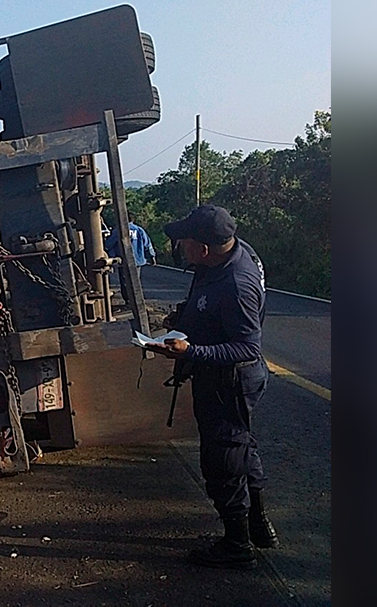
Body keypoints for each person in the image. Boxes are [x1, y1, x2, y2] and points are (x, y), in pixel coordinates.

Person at [146, 205, 279, 570]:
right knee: (242, 447)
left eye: (184, 243)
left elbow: (247, 346)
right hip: (225, 378)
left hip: (230, 381)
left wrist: (192, 350)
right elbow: (207, 306)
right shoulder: (221, 257)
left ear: (204, 248)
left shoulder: (237, 284)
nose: (180, 248)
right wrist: (184, 318)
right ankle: (258, 526)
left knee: (224, 461)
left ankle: (237, 545)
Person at [105, 214, 157, 305]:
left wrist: (110, 256)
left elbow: (109, 244)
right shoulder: (139, 230)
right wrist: (151, 256)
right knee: (135, 280)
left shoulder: (118, 230)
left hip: (123, 260)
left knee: (125, 282)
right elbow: (147, 244)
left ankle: (128, 301)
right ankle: (137, 300)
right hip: (137, 260)